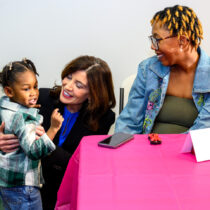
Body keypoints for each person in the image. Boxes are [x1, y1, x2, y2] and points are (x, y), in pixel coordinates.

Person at [0, 55, 116, 209]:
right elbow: (8, 112)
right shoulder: (41, 97)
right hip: (29, 186)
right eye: (68, 77)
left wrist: (46, 140)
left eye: (79, 85)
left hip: (67, 187)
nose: (68, 86)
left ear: (93, 93)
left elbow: (82, 163)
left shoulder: (103, 117)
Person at [115, 5, 210, 134]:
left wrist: (165, 150)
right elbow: (129, 122)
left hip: (190, 151)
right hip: (146, 149)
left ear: (182, 40)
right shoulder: (148, 69)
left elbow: (202, 133)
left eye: (157, 39)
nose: (153, 47)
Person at [0, 59, 64, 210]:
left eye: (35, 86)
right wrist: (52, 129)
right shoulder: (24, 118)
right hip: (24, 188)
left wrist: (24, 102)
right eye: (26, 89)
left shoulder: (4, 105)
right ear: (10, 91)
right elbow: (34, 151)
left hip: (6, 183)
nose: (34, 93)